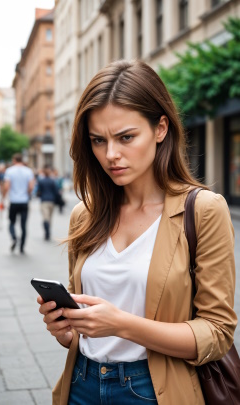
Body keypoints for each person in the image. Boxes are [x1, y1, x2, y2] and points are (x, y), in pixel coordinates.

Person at [36, 60, 237, 405]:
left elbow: (217, 334)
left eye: (126, 137)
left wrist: (121, 325)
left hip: (152, 390)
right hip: (81, 384)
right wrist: (65, 330)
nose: (111, 154)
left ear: (160, 129)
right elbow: (83, 331)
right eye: (98, 140)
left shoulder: (203, 209)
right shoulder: (84, 216)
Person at [3, 153, 34, 253]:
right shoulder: (28, 171)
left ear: (14, 160)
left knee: (11, 222)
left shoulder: (9, 171)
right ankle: (22, 247)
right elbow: (31, 187)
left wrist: (3, 198)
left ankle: (14, 237)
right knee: (23, 225)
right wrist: (27, 194)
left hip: (14, 201)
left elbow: (7, 186)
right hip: (24, 201)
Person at [37, 165, 58, 240]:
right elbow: (56, 191)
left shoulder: (41, 181)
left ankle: (46, 231)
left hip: (44, 201)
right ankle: (48, 231)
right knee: (50, 217)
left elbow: (38, 192)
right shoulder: (53, 181)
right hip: (51, 201)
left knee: (45, 217)